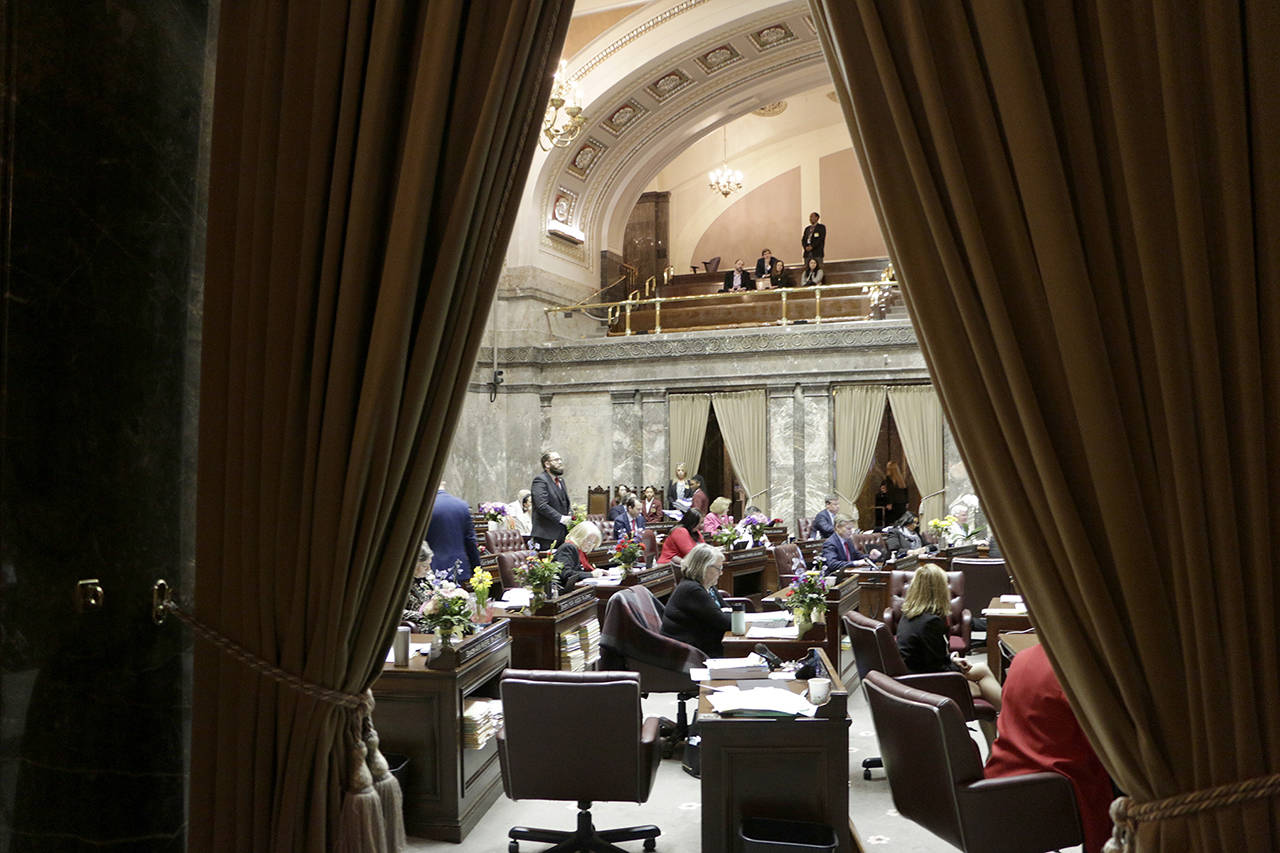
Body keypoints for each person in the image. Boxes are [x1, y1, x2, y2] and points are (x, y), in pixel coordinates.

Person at [985, 644, 1114, 853]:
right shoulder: (1082, 670)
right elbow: (1114, 745)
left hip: (1002, 780)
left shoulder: (1022, 658)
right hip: (1060, 791)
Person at [895, 564, 1002, 710]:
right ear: (939, 590)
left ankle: (1003, 722)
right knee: (984, 685)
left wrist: (952, 659)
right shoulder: (930, 622)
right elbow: (937, 669)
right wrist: (957, 668)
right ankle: (1012, 720)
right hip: (924, 682)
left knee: (982, 671)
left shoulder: (909, 614)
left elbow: (929, 656)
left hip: (915, 675)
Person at [660, 543, 731, 657]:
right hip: (690, 653)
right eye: (719, 568)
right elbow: (725, 622)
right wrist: (728, 614)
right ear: (704, 568)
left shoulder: (708, 586)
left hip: (705, 643)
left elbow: (727, 610)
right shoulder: (692, 590)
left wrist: (728, 614)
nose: (721, 573)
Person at [424, 486, 482, 583]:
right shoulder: (462, 505)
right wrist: (477, 570)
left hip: (431, 569)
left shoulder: (425, 506)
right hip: (458, 568)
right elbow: (470, 541)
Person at [531, 450, 571, 550]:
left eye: (560, 459)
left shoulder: (561, 481)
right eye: (556, 460)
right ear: (547, 464)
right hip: (546, 535)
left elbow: (563, 503)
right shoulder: (540, 480)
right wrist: (560, 518)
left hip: (562, 534)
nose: (560, 462)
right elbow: (541, 505)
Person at [552, 521, 602, 592]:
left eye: (593, 542)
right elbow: (566, 574)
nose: (590, 545)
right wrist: (591, 574)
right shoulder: (568, 547)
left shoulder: (579, 550)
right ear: (579, 536)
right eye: (588, 540)